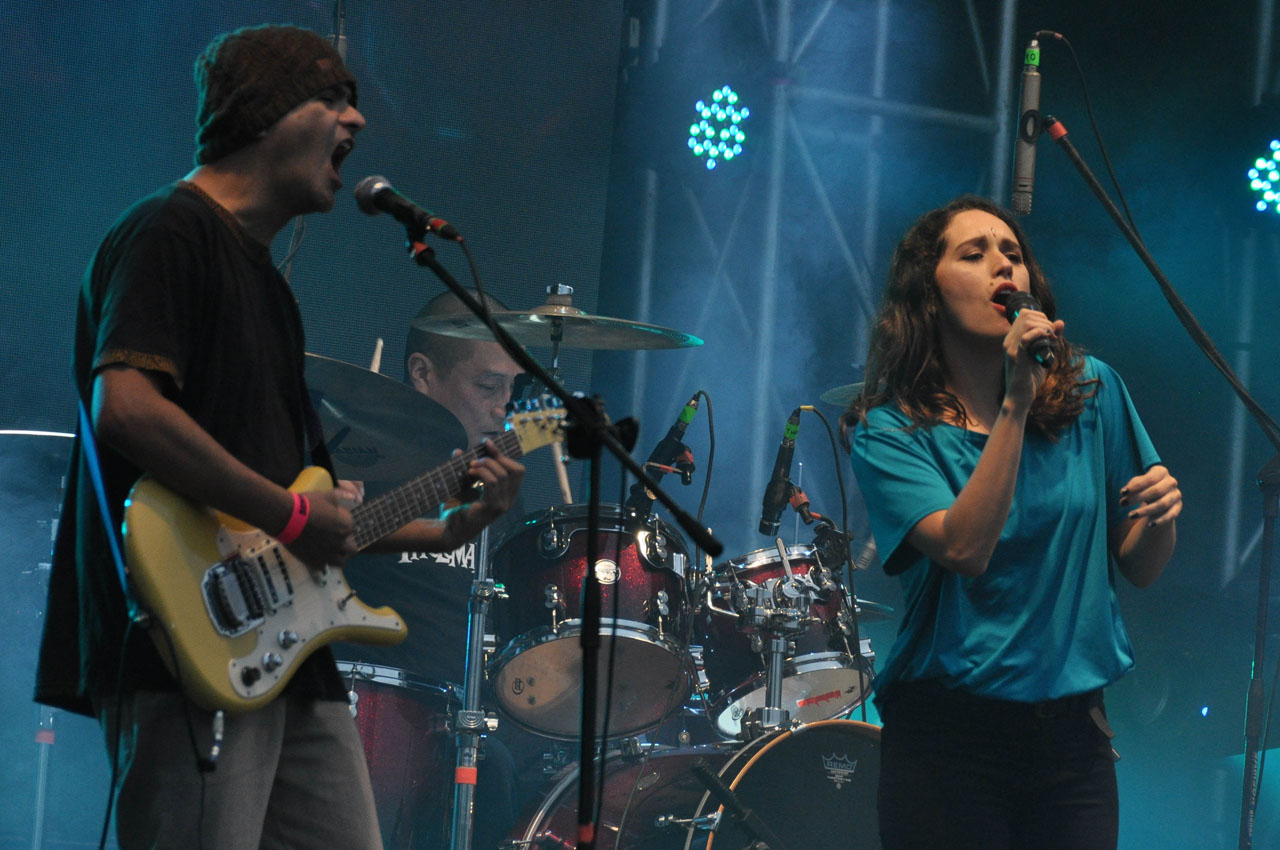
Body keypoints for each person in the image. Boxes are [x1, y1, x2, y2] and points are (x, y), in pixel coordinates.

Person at [33, 24, 523, 850]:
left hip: (288, 656)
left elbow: (317, 525)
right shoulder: (167, 232)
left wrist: (453, 527)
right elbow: (126, 408)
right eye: (333, 98)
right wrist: (294, 517)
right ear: (264, 114)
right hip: (188, 638)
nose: (357, 123)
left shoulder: (268, 286)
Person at [843, 195, 1181, 850]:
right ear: (928, 297)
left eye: (1013, 254)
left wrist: (1163, 518)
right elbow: (966, 547)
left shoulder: (1095, 392)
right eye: (974, 254)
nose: (1005, 265)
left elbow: (1139, 565)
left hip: (1071, 741)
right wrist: (1015, 402)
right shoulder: (889, 430)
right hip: (948, 745)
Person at [337, 289, 534, 849]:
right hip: (368, 700)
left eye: (512, 390)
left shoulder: (496, 485)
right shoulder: (360, 458)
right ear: (422, 374)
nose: (503, 406)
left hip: (460, 719)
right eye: (486, 385)